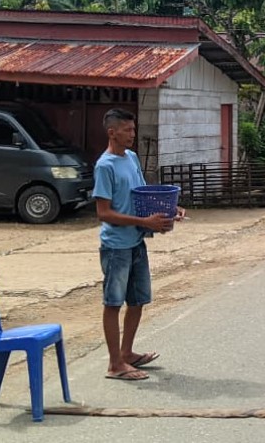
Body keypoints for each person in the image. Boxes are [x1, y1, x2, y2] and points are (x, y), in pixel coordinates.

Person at [94, 108, 185, 381]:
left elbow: (143, 197)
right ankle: (114, 365)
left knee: (137, 301)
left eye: (133, 129)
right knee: (113, 303)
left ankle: (127, 353)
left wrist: (170, 211)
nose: (133, 134)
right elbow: (103, 213)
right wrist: (144, 221)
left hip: (136, 242)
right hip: (116, 247)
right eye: (127, 130)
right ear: (112, 132)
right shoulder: (105, 166)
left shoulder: (132, 158)